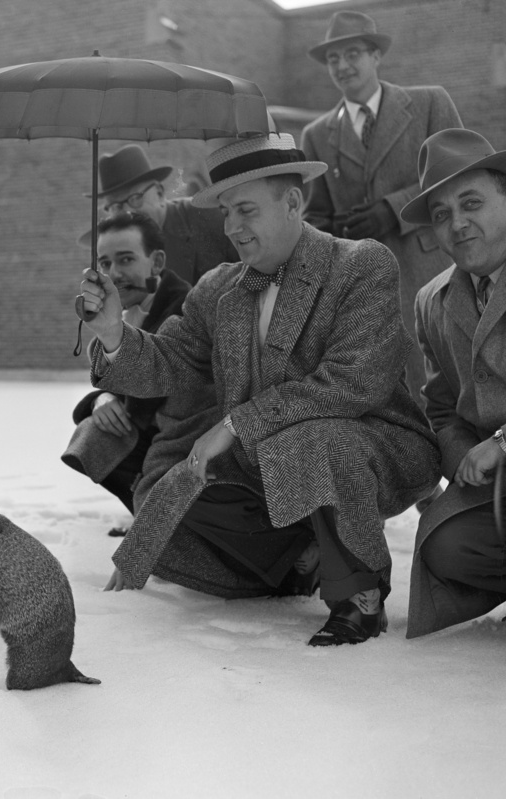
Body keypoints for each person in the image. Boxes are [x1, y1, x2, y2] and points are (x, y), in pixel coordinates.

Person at [78, 133, 440, 647]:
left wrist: (234, 424)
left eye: (245, 210)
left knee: (312, 439)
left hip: (374, 446)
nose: (231, 228)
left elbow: (351, 383)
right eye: (225, 211)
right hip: (262, 460)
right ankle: (294, 561)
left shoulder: (362, 264)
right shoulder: (219, 287)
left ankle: (358, 597)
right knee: (165, 494)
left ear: (293, 203)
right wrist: (115, 333)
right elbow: (174, 362)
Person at [299, 10, 463, 400]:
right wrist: (337, 231)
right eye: (333, 59)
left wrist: (392, 209)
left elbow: (458, 176)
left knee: (456, 373)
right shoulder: (317, 134)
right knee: (396, 392)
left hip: (432, 269)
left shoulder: (429, 104)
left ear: (376, 56)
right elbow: (315, 216)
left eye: (352, 53)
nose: (342, 65)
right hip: (364, 287)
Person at [400, 129, 506, 638]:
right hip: (501, 488)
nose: (458, 224)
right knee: (447, 547)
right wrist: (464, 461)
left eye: (472, 203)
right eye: (442, 214)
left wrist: (504, 442)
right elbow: (441, 411)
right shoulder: (432, 301)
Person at [62, 213, 192, 536]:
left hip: (186, 444)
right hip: (153, 435)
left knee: (103, 432)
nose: (114, 274)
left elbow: (151, 387)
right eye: (104, 264)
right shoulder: (125, 309)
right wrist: (101, 399)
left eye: (126, 259)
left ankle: (168, 528)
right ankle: (146, 515)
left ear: (157, 261)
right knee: (93, 433)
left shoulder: (186, 308)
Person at [82, 144, 237, 286]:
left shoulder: (208, 216)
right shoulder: (110, 252)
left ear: (160, 193)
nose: (128, 212)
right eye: (116, 206)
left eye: (136, 198)